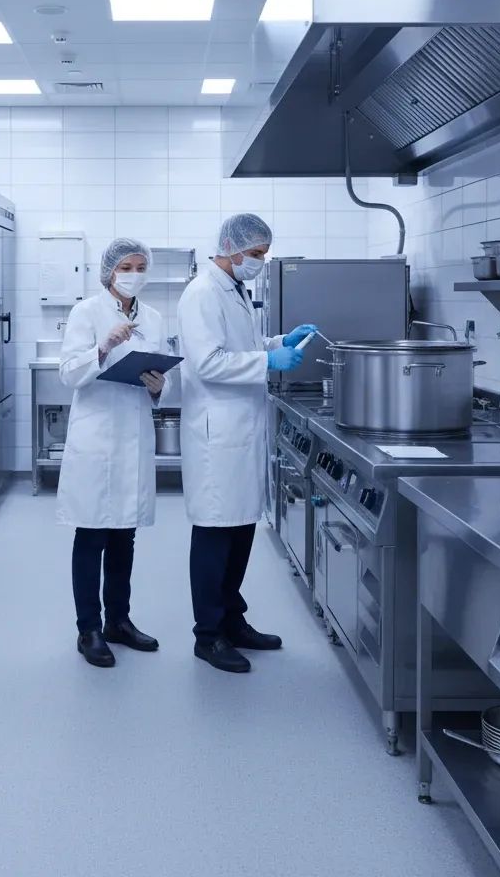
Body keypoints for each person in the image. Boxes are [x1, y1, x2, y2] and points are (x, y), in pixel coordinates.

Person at [177, 213, 316, 674]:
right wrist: (268, 361)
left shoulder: (235, 289)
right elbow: (209, 362)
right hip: (218, 435)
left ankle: (233, 622)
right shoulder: (201, 294)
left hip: (240, 430)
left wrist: (276, 341)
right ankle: (208, 636)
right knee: (216, 534)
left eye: (262, 255)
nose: (259, 262)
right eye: (255, 254)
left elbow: (242, 344)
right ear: (231, 247)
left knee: (239, 532)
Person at [57, 238, 176, 668]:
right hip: (96, 437)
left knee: (124, 533)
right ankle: (88, 628)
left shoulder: (156, 318)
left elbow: (163, 371)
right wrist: (103, 347)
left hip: (133, 434)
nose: (134, 273)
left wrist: (161, 387)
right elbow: (69, 373)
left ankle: (119, 622)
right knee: (91, 534)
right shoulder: (85, 312)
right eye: (127, 266)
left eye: (141, 266)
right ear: (110, 271)